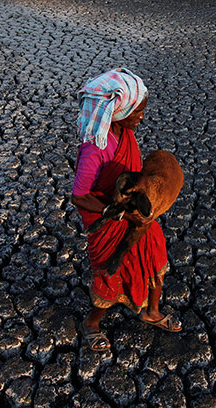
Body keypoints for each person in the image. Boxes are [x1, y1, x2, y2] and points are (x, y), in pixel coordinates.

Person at [71, 67, 181, 352]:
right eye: (137, 112)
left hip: (135, 211)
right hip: (109, 219)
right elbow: (79, 197)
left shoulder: (124, 133)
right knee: (112, 270)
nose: (142, 118)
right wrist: (121, 213)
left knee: (155, 253)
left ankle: (151, 311)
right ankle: (92, 324)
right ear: (118, 112)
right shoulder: (96, 147)